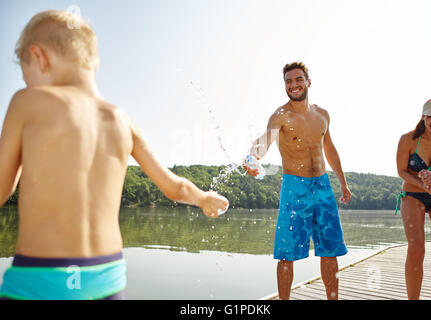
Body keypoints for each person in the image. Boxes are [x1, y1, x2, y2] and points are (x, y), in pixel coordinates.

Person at [0, 10, 228, 300]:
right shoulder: (121, 120)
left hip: (42, 277)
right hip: (106, 277)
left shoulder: (27, 101)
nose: (28, 84)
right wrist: (203, 198)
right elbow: (175, 187)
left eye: (26, 75)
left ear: (39, 57)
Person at [243, 61, 351, 300]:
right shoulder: (280, 116)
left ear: (308, 82)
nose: (293, 85)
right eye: (288, 81)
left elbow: (330, 149)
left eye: (298, 79)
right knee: (286, 253)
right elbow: (265, 139)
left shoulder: (322, 114)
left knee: (330, 250)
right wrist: (252, 156)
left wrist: (342, 182)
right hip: (295, 187)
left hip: (323, 186)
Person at [396, 98, 431, 299]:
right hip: (413, 195)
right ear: (423, 117)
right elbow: (402, 171)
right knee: (417, 249)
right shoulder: (407, 139)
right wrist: (424, 185)